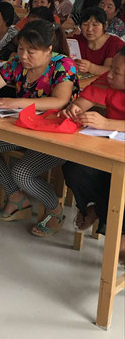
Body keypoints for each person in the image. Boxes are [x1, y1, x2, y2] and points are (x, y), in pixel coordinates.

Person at [0, 19, 80, 237]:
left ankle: (55, 212)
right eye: (21, 49)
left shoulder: (63, 65)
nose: (23, 56)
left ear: (48, 50)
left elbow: (59, 101)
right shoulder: (17, 64)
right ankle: (17, 198)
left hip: (57, 133)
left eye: (31, 52)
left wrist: (18, 102)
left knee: (22, 172)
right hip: (24, 128)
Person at [62, 47, 125, 263]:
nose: (109, 74)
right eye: (111, 68)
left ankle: (109, 223)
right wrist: (75, 109)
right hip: (109, 150)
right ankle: (100, 211)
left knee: (120, 182)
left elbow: (107, 124)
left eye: (116, 72)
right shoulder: (107, 81)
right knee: (74, 168)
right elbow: (82, 102)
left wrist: (107, 123)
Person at [0, 7, 69, 62]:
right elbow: (3, 52)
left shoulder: (54, 38)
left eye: (31, 52)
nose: (31, 28)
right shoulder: (25, 34)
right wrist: (16, 56)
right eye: (29, 23)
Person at [73, 7, 124, 76]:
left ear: (105, 25)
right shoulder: (74, 41)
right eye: (85, 24)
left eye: (95, 25)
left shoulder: (115, 44)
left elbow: (111, 70)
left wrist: (91, 68)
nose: (89, 29)